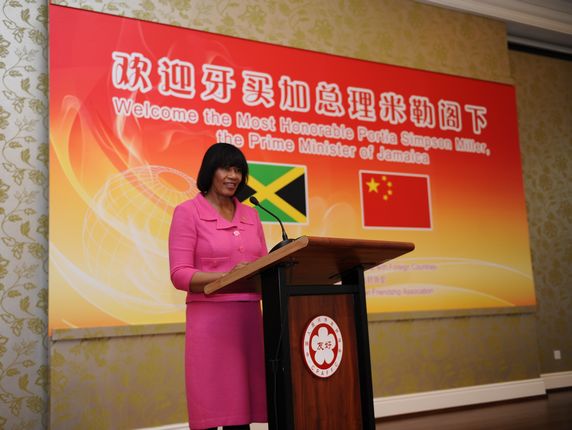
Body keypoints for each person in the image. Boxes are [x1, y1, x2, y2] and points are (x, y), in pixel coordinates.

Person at [168, 143, 268, 430]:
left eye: (238, 170)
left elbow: (263, 264)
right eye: (226, 168)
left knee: (241, 416)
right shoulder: (188, 212)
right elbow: (179, 274)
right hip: (210, 323)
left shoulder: (252, 215)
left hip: (248, 321)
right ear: (210, 171)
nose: (233, 176)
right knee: (212, 410)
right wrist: (226, 276)